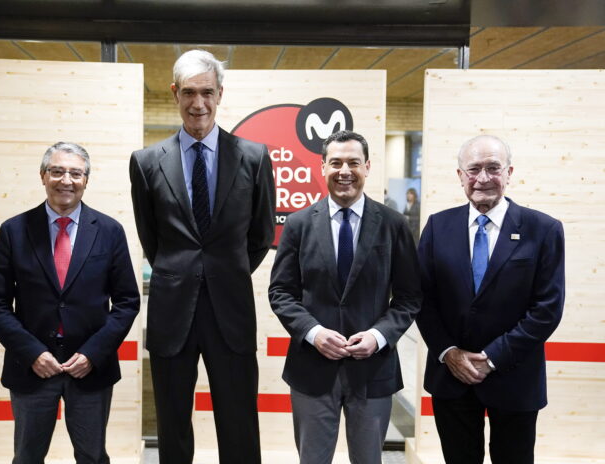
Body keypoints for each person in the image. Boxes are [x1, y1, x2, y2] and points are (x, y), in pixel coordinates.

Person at [129, 49, 276, 464]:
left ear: (220, 94)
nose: (198, 104)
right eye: (189, 93)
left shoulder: (253, 156)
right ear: (174, 93)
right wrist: (182, 273)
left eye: (207, 92)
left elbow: (262, 234)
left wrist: (224, 273)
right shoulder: (145, 163)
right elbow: (151, 238)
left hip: (230, 310)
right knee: (173, 425)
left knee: (239, 422)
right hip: (171, 311)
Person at [269, 130, 422, 464]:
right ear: (322, 167)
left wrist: (379, 336)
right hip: (311, 368)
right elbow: (281, 292)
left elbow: (410, 297)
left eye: (353, 162)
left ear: (367, 167)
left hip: (373, 369)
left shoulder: (393, 225)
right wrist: (314, 333)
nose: (345, 170)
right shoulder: (298, 224)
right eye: (335, 162)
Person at [0, 142, 140, 463]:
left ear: (86, 180)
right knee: (27, 456)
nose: (66, 180)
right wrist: (32, 353)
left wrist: (93, 354)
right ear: (43, 176)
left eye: (75, 173)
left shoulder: (110, 231)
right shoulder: (14, 231)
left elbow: (127, 301)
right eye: (57, 171)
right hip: (32, 368)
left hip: (90, 369)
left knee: (92, 455)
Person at [416, 134, 565, 464]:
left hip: (514, 376)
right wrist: (448, 352)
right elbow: (422, 298)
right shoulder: (438, 227)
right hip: (451, 377)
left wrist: (492, 357)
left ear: (509, 173)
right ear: (460, 176)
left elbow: (547, 308)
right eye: (473, 169)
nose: (483, 178)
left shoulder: (543, 229)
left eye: (493, 168)